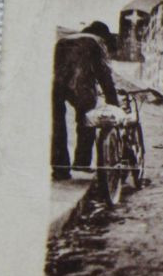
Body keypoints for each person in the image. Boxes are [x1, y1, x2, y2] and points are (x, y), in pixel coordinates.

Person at [51, 22, 120, 180]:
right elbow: (104, 74)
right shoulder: (97, 42)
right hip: (81, 85)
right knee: (87, 120)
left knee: (58, 126)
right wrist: (113, 102)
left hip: (56, 86)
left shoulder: (63, 41)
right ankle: (81, 162)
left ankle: (60, 169)